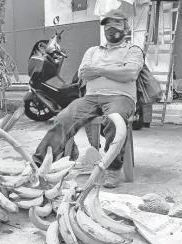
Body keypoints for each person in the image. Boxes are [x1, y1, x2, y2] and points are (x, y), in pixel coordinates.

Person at [32, 9, 144, 188]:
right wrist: (115, 71)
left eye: (116, 23)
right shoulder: (92, 51)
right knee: (63, 119)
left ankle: (112, 168)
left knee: (115, 121)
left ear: (126, 27)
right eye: (107, 24)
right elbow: (83, 73)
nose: (111, 28)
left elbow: (130, 73)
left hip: (120, 97)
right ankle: (38, 163)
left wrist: (99, 70)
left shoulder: (133, 50)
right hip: (90, 98)